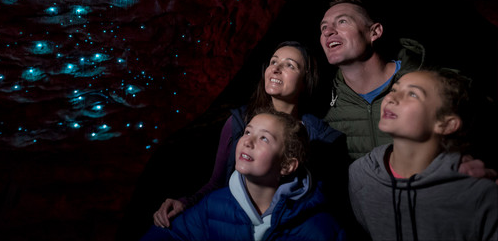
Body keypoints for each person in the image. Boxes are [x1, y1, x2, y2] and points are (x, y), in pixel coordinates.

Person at [153, 41, 346, 229]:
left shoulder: (321, 138)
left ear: (306, 80)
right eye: (273, 62)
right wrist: (185, 203)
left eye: (289, 65)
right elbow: (216, 183)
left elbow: (326, 200)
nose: (276, 69)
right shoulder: (238, 123)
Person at [319, 0, 497, 181]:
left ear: (375, 32)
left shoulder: (436, 84)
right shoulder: (323, 103)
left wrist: (485, 166)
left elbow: (487, 131)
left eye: (342, 22)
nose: (328, 31)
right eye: (323, 27)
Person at [141, 111, 346, 241]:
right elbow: (171, 234)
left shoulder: (319, 228)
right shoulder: (213, 206)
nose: (248, 141)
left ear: (286, 165)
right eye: (247, 132)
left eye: (264, 138)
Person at [348, 68, 498, 240]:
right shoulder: (360, 175)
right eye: (394, 89)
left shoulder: (478, 193)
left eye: (412, 94)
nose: (391, 98)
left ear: (446, 124)